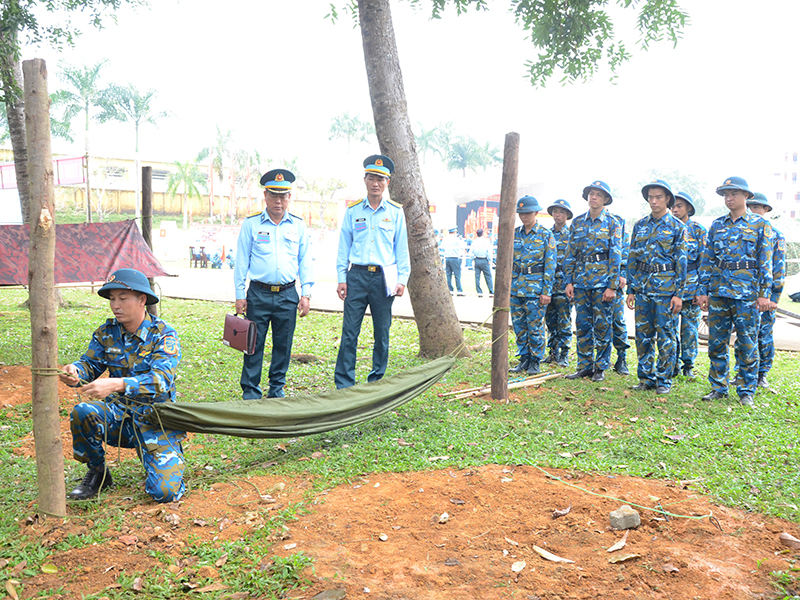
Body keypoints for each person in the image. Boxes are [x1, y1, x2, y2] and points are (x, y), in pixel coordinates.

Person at [59, 268, 185, 502]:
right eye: (112, 299)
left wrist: (117, 383)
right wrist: (75, 372)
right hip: (119, 417)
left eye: (122, 298)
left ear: (142, 300)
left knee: (164, 493)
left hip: (155, 421)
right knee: (82, 412)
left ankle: (160, 458)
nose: (115, 305)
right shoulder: (106, 333)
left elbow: (161, 380)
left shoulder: (164, 335)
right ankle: (98, 472)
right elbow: (90, 365)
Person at [234, 169, 313, 399]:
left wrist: (306, 293)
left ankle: (276, 388)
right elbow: (241, 261)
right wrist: (240, 294)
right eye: (274, 195)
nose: (279, 201)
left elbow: (305, 261)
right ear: (265, 195)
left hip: (288, 294)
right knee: (253, 344)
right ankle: (250, 390)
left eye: (283, 196)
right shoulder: (251, 224)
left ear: (289, 197)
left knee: (283, 344)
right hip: (257, 293)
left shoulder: (298, 225)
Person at [335, 154, 410, 389]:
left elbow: (401, 249)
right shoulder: (353, 211)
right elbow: (343, 247)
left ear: (387, 182)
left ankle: (376, 379)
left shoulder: (396, 212)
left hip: (383, 279)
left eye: (380, 179)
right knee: (349, 332)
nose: (375, 183)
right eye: (371, 178)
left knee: (382, 333)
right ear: (365, 180)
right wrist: (341, 278)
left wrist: (402, 279)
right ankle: (345, 383)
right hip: (355, 277)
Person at [697, 176, 773, 406]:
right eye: (726, 195)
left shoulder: (760, 225)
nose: (729, 198)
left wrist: (764, 293)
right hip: (719, 292)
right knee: (717, 342)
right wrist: (703, 291)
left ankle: (746, 389)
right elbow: (707, 260)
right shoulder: (717, 225)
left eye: (734, 194)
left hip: (747, 293)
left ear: (747, 197)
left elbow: (765, 262)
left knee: (747, 342)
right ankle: (718, 386)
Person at [625, 180, 687, 394]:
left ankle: (664, 379)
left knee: (666, 335)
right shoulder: (640, 225)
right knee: (643, 335)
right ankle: (645, 377)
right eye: (650, 197)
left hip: (665, 290)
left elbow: (682, 262)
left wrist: (679, 294)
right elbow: (632, 257)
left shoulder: (678, 227)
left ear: (667, 199)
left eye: (658, 197)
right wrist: (630, 289)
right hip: (642, 288)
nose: (653, 201)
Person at [563, 180, 623, 382]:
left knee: (602, 325)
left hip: (602, 283)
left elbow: (616, 256)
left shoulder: (613, 223)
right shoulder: (578, 222)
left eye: (598, 194)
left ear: (606, 199)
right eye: (590, 193)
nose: (593, 197)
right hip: (580, 282)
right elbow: (571, 253)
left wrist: (612, 286)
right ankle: (584, 365)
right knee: (582, 324)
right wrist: (569, 281)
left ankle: (601, 367)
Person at [736, 192, 786, 388]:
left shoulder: (775, 235)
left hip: (765, 296)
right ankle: (742, 372)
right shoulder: (741, 230)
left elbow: (779, 268)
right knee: (744, 335)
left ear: (766, 210)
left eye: (757, 207)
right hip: (745, 294)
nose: (752, 210)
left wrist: (773, 296)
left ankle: (762, 373)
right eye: (750, 207)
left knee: (764, 334)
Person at [509, 196, 556, 375]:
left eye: (527, 213)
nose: (524, 216)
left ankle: (535, 360)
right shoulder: (514, 233)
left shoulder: (545, 235)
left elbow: (550, 266)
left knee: (535, 327)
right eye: (521, 213)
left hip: (535, 290)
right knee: (520, 327)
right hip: (516, 288)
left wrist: (546, 292)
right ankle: (523, 359)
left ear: (536, 212)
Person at [671, 191, 707, 378]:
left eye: (679, 206)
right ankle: (673, 363)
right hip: (672, 287)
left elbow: (704, 262)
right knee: (670, 328)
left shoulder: (698, 230)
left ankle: (688, 364)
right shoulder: (668, 228)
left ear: (689, 209)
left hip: (692, 287)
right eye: (673, 206)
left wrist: (701, 291)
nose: (675, 210)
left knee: (689, 328)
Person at [544, 199, 573, 367]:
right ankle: (552, 352)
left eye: (561, 212)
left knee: (564, 320)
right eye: (555, 211)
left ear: (567, 215)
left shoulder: (572, 235)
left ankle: (564, 354)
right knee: (550, 320)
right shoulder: (546, 235)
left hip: (564, 285)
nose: (557, 214)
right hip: (549, 285)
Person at [611, 211, 631, 376]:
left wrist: (623, 273)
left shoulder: (618, 221)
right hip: (592, 279)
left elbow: (625, 251)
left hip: (614, 281)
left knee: (617, 320)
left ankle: (621, 358)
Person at [441, 227, 464, 295]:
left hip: (447, 258)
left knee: (448, 275)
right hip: (455, 258)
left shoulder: (445, 239)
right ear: (454, 232)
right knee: (457, 275)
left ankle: (450, 290)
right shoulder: (457, 239)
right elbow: (461, 248)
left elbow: (442, 247)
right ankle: (459, 291)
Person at [471, 228, 494, 296]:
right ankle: (491, 291)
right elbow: (488, 252)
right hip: (484, 260)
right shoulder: (486, 241)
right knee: (488, 276)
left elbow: (471, 252)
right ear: (483, 234)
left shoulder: (474, 241)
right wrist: (489, 260)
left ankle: (479, 292)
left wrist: (473, 258)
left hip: (477, 260)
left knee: (477, 277)